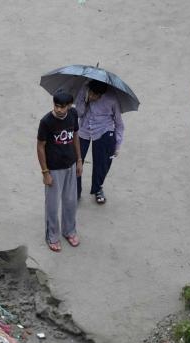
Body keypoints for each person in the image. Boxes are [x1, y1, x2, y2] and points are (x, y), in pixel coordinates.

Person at [37, 90, 83, 252]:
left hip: (70, 165)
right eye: (57, 106)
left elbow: (76, 136)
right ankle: (52, 236)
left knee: (71, 202)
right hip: (54, 169)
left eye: (63, 107)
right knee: (52, 205)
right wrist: (45, 172)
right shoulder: (46, 122)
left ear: (69, 106)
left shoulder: (73, 115)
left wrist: (79, 160)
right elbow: (40, 146)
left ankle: (69, 231)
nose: (59, 110)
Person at [74, 79, 124, 204]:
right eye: (91, 93)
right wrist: (86, 101)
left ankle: (98, 188)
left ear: (102, 94)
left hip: (104, 131)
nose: (92, 96)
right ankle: (76, 191)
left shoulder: (112, 99)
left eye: (96, 95)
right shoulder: (84, 91)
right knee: (76, 160)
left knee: (102, 163)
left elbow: (119, 124)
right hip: (84, 130)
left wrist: (117, 145)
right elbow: (79, 113)